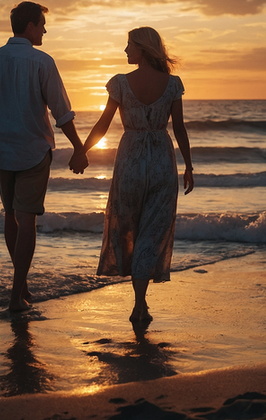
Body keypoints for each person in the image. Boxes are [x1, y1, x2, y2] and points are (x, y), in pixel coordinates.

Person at [0, 1, 88, 312]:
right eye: (42, 24)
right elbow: (61, 112)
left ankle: (20, 286)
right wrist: (78, 147)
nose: (45, 30)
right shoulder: (42, 62)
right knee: (27, 220)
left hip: (0, 150)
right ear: (31, 26)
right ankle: (15, 296)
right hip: (34, 151)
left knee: (11, 214)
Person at [82, 27, 194, 324]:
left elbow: (103, 124)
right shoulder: (172, 85)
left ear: (143, 48)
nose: (126, 50)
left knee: (128, 228)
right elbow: (180, 129)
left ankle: (140, 303)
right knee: (153, 230)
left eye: (129, 45)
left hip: (130, 159)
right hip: (161, 159)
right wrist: (189, 167)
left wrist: (83, 150)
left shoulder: (120, 83)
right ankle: (140, 304)